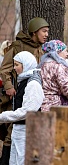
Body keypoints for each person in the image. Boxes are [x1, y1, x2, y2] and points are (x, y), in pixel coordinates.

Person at [0, 17, 49, 164]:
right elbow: (5, 68)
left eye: (47, 31)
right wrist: (9, 86)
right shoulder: (17, 46)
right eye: (44, 31)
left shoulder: (42, 48)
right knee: (11, 131)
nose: (46, 34)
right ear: (34, 32)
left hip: (32, 91)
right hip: (16, 94)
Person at [0, 51, 44, 165]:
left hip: (27, 130)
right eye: (14, 65)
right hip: (19, 128)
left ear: (26, 64)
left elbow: (28, 111)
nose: (14, 68)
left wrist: (4, 116)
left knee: (23, 161)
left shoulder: (33, 83)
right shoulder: (23, 81)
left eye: (17, 65)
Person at [38, 40, 68, 148]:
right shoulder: (59, 67)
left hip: (43, 105)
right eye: (65, 51)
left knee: (46, 141)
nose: (67, 54)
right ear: (57, 52)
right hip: (57, 107)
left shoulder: (41, 65)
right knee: (59, 142)